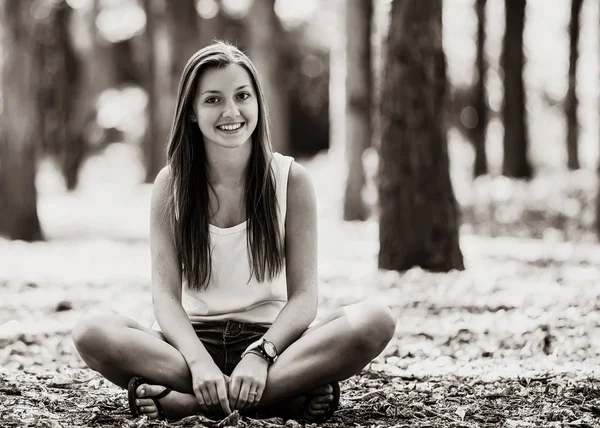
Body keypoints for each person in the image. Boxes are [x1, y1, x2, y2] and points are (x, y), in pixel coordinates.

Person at [72, 41, 396, 423]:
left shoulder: (292, 181)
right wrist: (198, 363)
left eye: (242, 95)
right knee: (91, 332)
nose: (231, 111)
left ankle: (194, 402)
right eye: (212, 100)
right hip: (188, 345)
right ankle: (277, 394)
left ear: (258, 101)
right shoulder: (170, 185)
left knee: (375, 319)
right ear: (191, 112)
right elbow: (166, 299)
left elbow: (305, 297)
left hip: (274, 341)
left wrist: (262, 355)